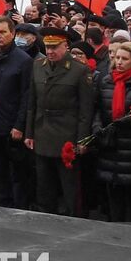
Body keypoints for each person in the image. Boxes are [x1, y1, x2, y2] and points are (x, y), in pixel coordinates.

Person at [25, 26, 94, 217]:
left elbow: (85, 110)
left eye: (55, 47)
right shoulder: (38, 66)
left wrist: (82, 140)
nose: (50, 51)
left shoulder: (80, 70)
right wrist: (29, 132)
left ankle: (75, 219)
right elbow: (32, 103)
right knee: (44, 186)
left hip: (67, 135)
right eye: (47, 47)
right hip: (42, 132)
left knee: (70, 187)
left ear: (66, 46)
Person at [92, 42, 131, 222]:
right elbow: (98, 108)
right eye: (117, 58)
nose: (119, 62)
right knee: (113, 191)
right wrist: (96, 127)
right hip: (109, 144)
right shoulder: (106, 81)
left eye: (124, 59)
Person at [0, 16, 32, 208]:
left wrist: (19, 125)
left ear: (13, 33)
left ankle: (19, 207)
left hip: (12, 126)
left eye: (3, 32)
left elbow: (26, 96)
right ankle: (2, 205)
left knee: (17, 173)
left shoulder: (23, 60)